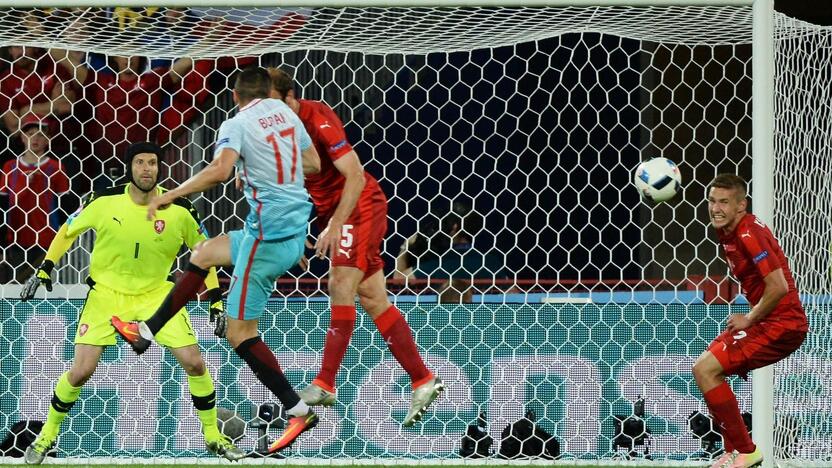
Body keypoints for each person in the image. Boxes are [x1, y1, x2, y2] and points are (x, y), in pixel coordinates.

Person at [111, 67, 322, 454]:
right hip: (291, 233)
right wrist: (255, 168)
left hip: (266, 242)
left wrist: (168, 194)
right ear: (268, 93)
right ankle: (146, 332)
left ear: (236, 96)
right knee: (204, 253)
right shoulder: (288, 114)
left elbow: (218, 171)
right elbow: (312, 164)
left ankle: (297, 409)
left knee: (239, 334)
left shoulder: (237, 122)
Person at [18, 142, 245, 464]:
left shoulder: (179, 208)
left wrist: (215, 301)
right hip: (106, 295)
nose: (146, 169)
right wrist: (45, 269)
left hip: (156, 296)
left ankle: (213, 436)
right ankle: (46, 437)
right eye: (140, 162)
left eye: (152, 163)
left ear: (159, 168)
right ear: (130, 167)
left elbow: (203, 254)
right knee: (82, 370)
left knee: (194, 362)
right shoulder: (103, 200)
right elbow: (67, 232)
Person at [267, 67, 443, 427]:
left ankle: (325, 383)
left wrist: (334, 224)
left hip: (358, 204)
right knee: (373, 296)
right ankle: (423, 379)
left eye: (272, 104)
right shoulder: (277, 128)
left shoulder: (317, 116)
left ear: (289, 98)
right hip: (334, 212)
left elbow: (356, 174)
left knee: (339, 284)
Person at [693, 174, 808, 468]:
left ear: (741, 205)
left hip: (781, 324)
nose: (715, 208)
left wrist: (750, 318)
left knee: (706, 369)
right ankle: (735, 453)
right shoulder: (729, 230)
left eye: (724, 202)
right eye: (712, 201)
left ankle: (746, 451)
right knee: (705, 369)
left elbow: (779, 286)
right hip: (768, 321)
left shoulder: (747, 233)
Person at [0, 114, 69, 283]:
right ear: (22, 137)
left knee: (44, 288)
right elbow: (2, 208)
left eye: (40, 134)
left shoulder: (55, 167)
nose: (35, 138)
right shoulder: (10, 167)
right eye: (30, 133)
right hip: (16, 240)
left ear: (48, 139)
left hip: (47, 240)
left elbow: (66, 207)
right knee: (16, 289)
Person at [396, 200, 499, 303]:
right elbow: (512, 292)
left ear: (454, 227)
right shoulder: (491, 262)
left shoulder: (439, 264)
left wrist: (405, 246)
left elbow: (398, 278)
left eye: (446, 222)